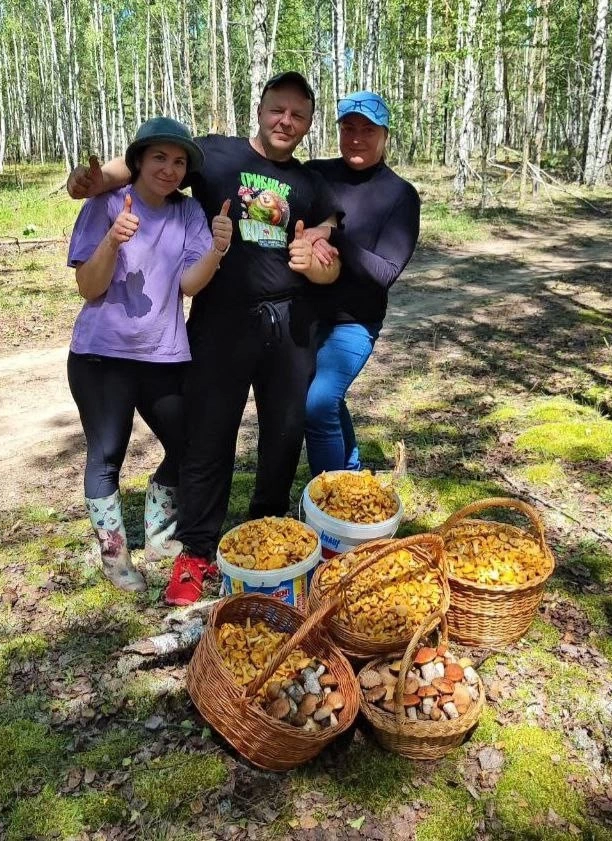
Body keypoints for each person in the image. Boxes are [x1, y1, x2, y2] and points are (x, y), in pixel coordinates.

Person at [67, 72, 340, 605]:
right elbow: (149, 162)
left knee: (284, 434)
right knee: (208, 436)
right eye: (277, 109)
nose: (286, 121)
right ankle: (195, 550)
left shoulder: (310, 184)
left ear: (309, 124)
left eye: (298, 115)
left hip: (290, 324)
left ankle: (269, 533)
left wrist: (320, 249)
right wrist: (96, 182)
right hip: (221, 321)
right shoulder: (214, 154)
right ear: (259, 109)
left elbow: (328, 236)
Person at [67, 117, 232, 593]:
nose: (169, 169)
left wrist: (217, 250)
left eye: (179, 161)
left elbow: (188, 284)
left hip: (163, 355)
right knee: (107, 455)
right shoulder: (106, 204)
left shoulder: (188, 213)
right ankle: (115, 556)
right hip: (101, 355)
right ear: (138, 160)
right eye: (159, 157)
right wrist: (112, 240)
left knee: (186, 445)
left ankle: (160, 535)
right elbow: (88, 287)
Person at [302, 91, 420, 475]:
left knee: (318, 404)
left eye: (368, 130)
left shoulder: (401, 195)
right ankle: (351, 474)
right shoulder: (315, 173)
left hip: (355, 322)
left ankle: (329, 499)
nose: (356, 138)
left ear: (385, 135)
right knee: (327, 400)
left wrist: (333, 236)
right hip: (304, 315)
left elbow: (385, 272)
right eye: (348, 128)